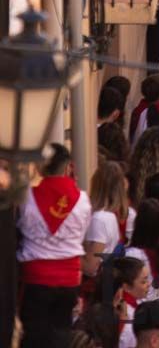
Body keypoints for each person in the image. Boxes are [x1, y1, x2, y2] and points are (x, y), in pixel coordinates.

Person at [17, 142, 92, 348]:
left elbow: (19, 226)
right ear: (67, 166)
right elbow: (81, 234)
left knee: (32, 337)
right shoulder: (83, 200)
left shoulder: (26, 196)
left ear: (39, 167)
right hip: (69, 279)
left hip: (36, 277)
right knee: (61, 336)